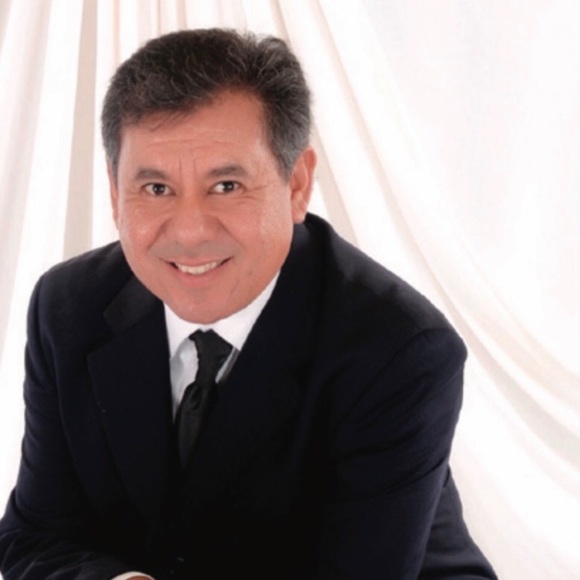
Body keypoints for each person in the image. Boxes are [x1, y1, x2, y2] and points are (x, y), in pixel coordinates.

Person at [0, 29, 496, 580]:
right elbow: (36, 537)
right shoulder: (68, 308)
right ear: (116, 195)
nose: (189, 232)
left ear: (297, 185)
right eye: (157, 189)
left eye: (227, 186)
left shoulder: (399, 348)